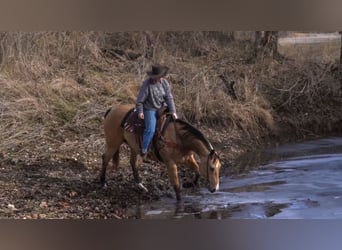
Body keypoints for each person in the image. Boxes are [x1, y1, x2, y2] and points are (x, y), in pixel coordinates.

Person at [136, 64, 178, 158]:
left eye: (159, 77)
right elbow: (140, 99)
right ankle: (144, 149)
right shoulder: (147, 84)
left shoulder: (165, 83)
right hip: (150, 108)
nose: (158, 79)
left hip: (162, 107)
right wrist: (140, 111)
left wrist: (173, 111)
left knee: (174, 125)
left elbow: (169, 97)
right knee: (150, 129)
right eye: (156, 77)